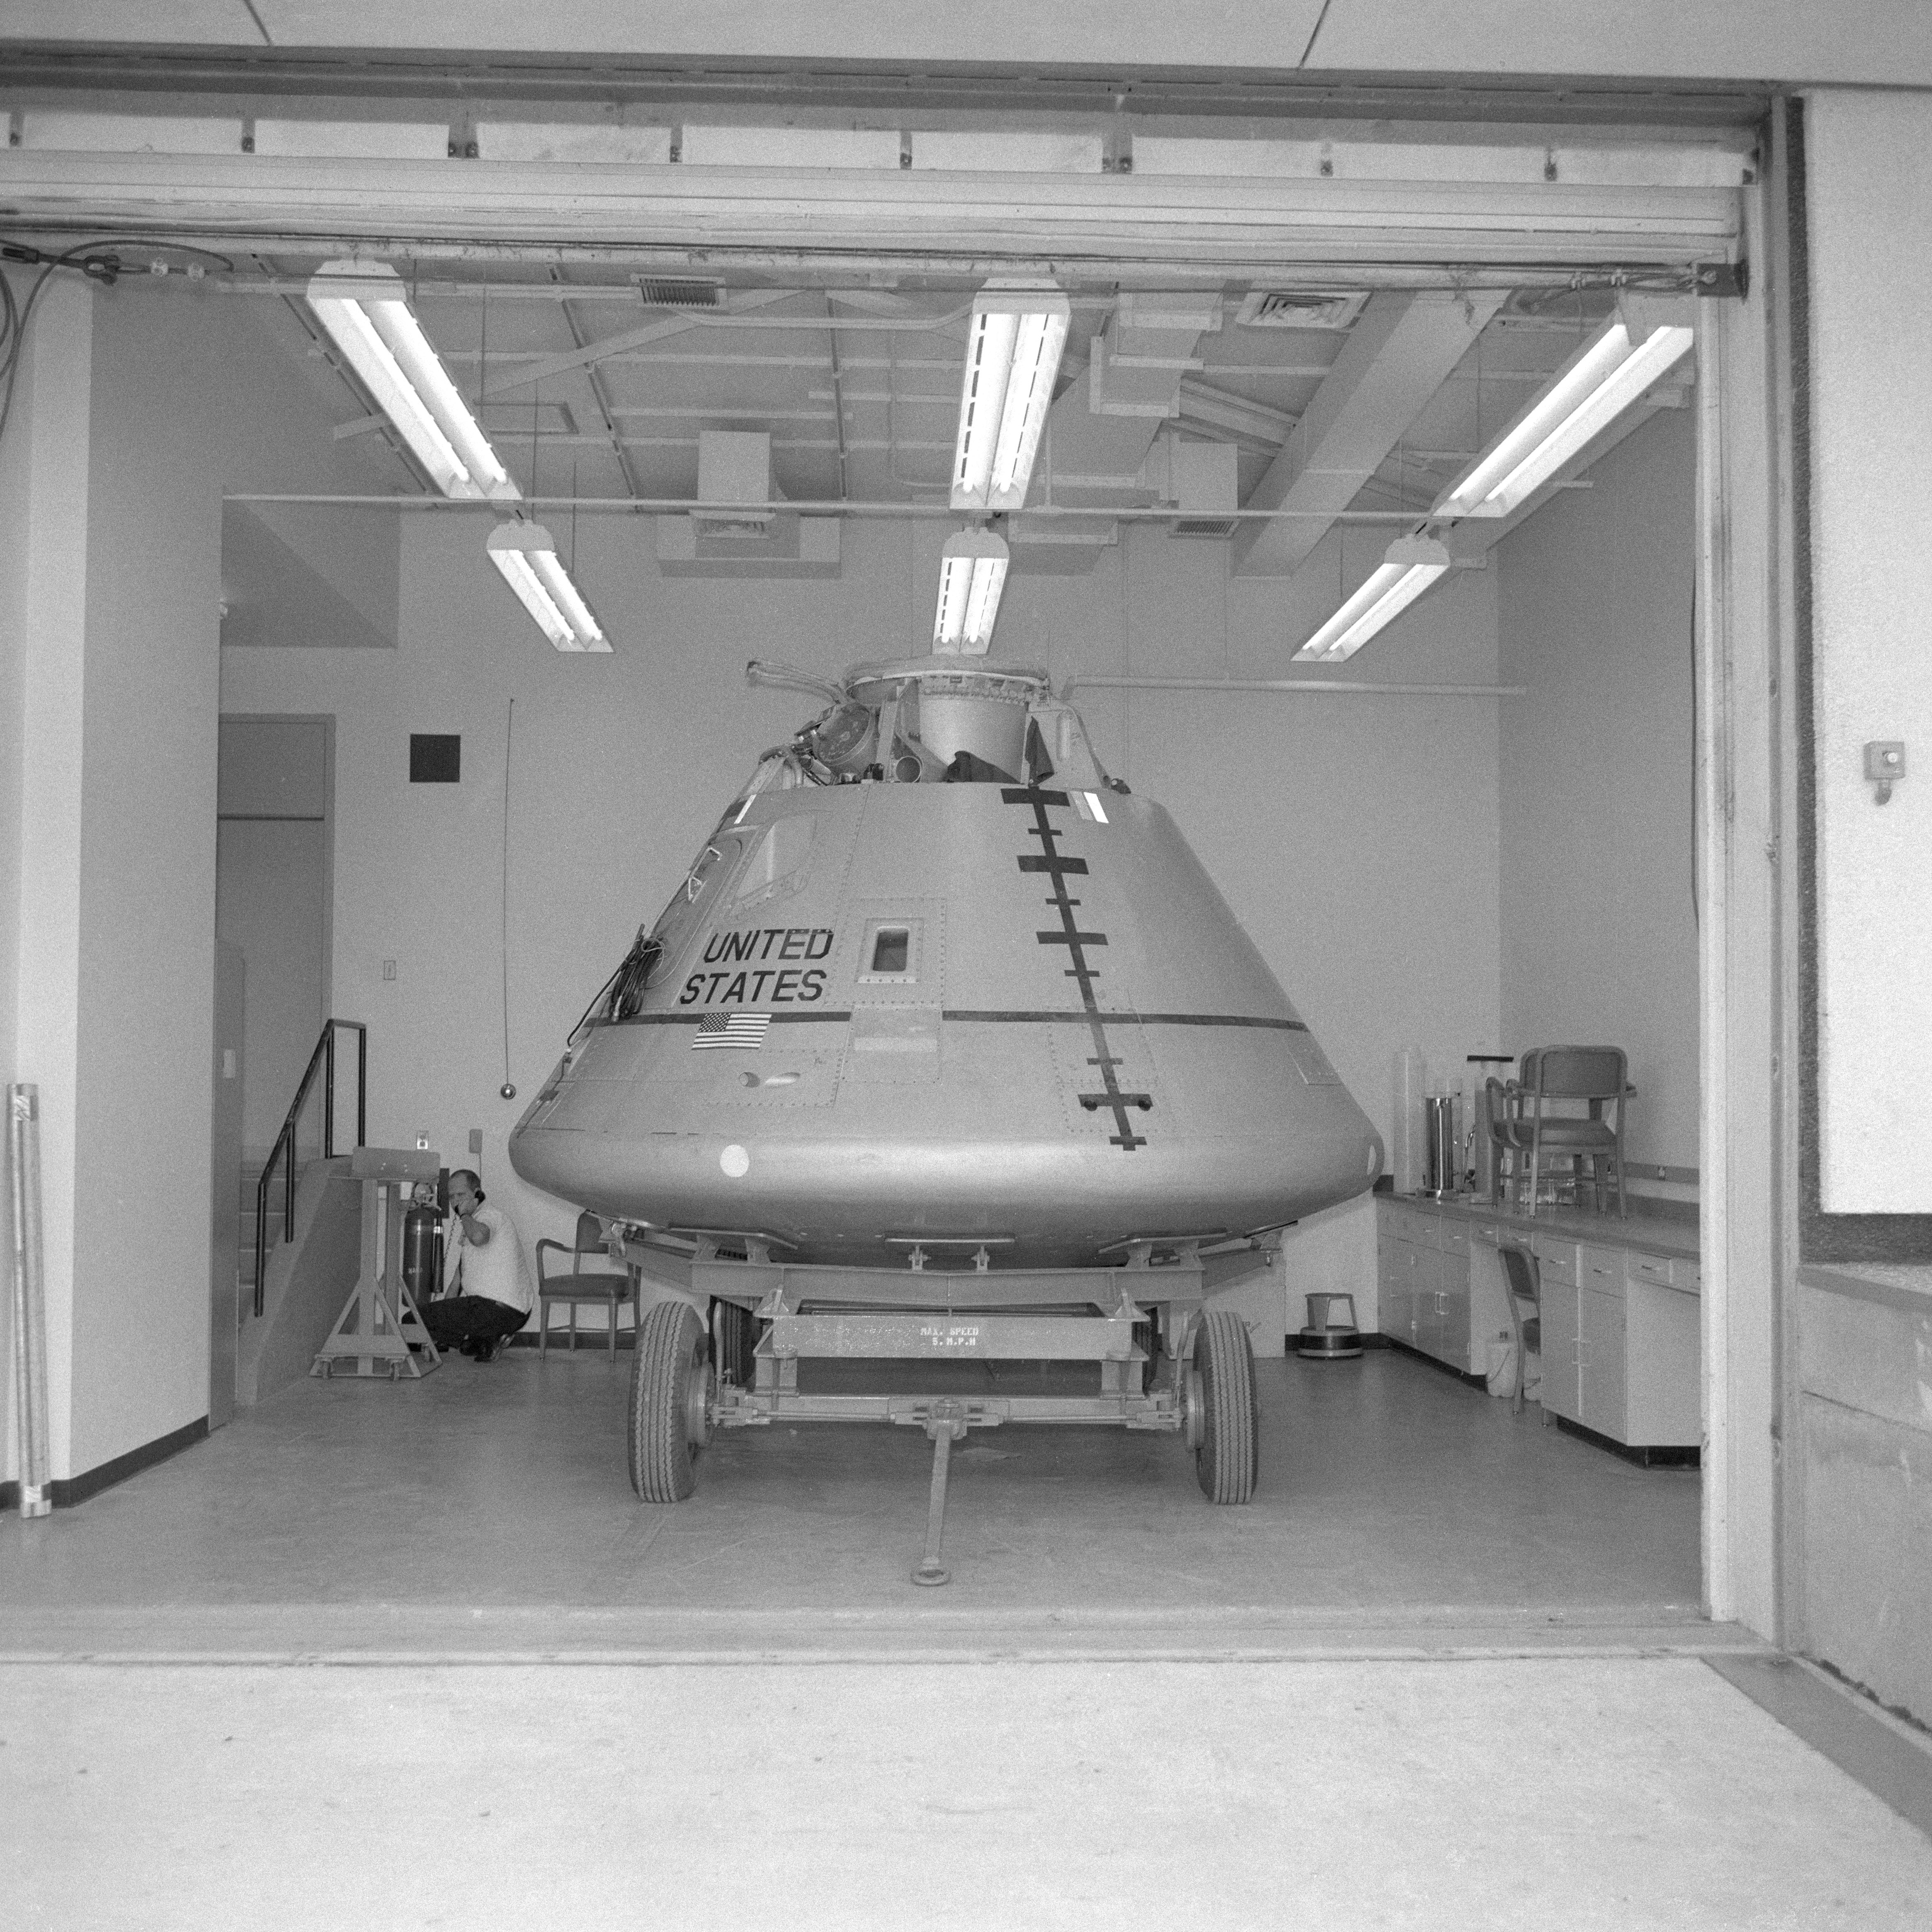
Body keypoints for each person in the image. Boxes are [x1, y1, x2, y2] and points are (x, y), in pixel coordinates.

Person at [417, 1169, 533, 1362]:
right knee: (453, 1331)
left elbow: (479, 1238)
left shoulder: (490, 1215)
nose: (455, 1202)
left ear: (477, 1194)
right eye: (452, 1197)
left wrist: (464, 1216)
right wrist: (444, 1310)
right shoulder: (473, 1224)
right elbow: (457, 1281)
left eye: (461, 1195)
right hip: (507, 1313)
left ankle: (477, 1339)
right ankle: (489, 1342)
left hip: (494, 1309)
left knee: (412, 1319)